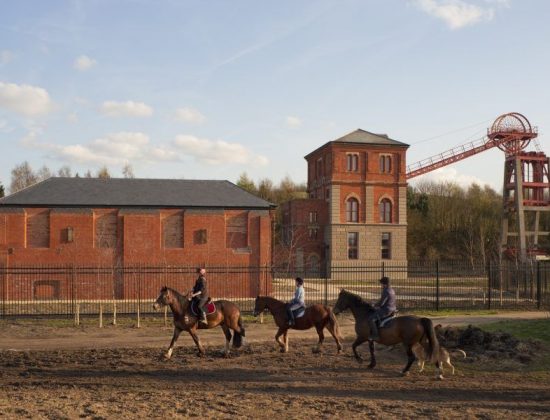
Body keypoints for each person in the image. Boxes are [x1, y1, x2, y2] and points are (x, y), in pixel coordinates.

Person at [368, 276, 397, 340]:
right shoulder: (392, 290)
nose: (381, 285)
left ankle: (375, 335)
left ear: (384, 284)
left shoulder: (385, 291)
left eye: (381, 283)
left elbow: (381, 303)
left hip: (386, 310)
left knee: (371, 319)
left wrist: (374, 305)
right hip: (393, 309)